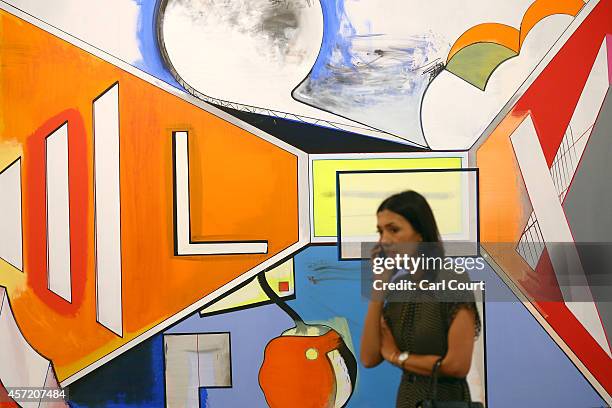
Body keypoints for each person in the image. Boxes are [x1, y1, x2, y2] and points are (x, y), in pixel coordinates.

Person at [360, 190, 481, 408]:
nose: (384, 240)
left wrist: (398, 357)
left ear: (420, 234)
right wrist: (379, 287)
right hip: (407, 400)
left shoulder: (452, 279)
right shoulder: (398, 288)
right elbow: (369, 358)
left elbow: (457, 365)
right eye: (380, 232)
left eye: (394, 230)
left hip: (445, 402)